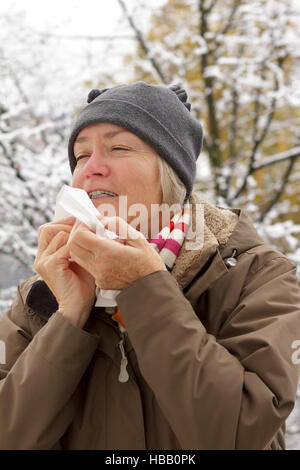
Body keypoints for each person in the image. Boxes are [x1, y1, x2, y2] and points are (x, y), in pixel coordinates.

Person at [0, 81, 300, 450]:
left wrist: (142, 287)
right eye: (80, 156)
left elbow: (240, 432)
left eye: (119, 148)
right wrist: (69, 316)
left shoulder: (254, 275)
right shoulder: (41, 297)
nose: (91, 168)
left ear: (171, 173)